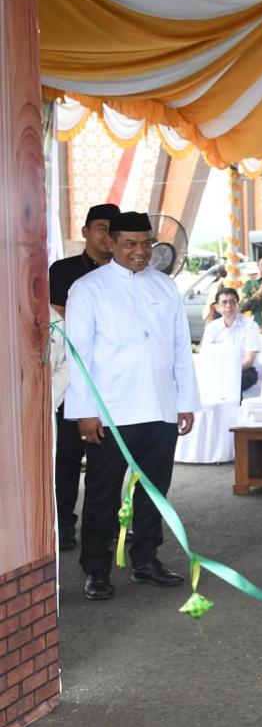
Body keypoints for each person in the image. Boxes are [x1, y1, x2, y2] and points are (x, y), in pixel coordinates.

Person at [64, 210, 197, 601]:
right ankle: (97, 568)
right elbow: (78, 355)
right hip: (109, 412)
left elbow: (179, 349)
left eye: (146, 243)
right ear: (112, 243)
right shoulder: (88, 289)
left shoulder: (165, 286)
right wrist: (85, 411)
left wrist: (184, 402)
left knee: (154, 490)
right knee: (104, 493)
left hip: (159, 407)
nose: (140, 252)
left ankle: (146, 560)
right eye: (130, 244)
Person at [49, 202, 119, 551]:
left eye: (113, 229)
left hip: (114, 384)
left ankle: (109, 529)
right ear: (86, 232)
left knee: (109, 466)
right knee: (66, 459)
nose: (107, 236)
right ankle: (63, 524)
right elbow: (60, 319)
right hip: (72, 380)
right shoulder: (63, 271)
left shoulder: (128, 273)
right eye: (102, 228)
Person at [202, 288, 262, 394]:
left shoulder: (250, 326)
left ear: (238, 305)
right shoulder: (212, 328)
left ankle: (236, 409)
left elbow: (249, 359)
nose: (229, 306)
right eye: (224, 302)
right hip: (218, 371)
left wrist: (230, 370)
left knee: (236, 379)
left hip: (244, 370)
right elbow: (205, 355)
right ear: (217, 307)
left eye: (232, 302)